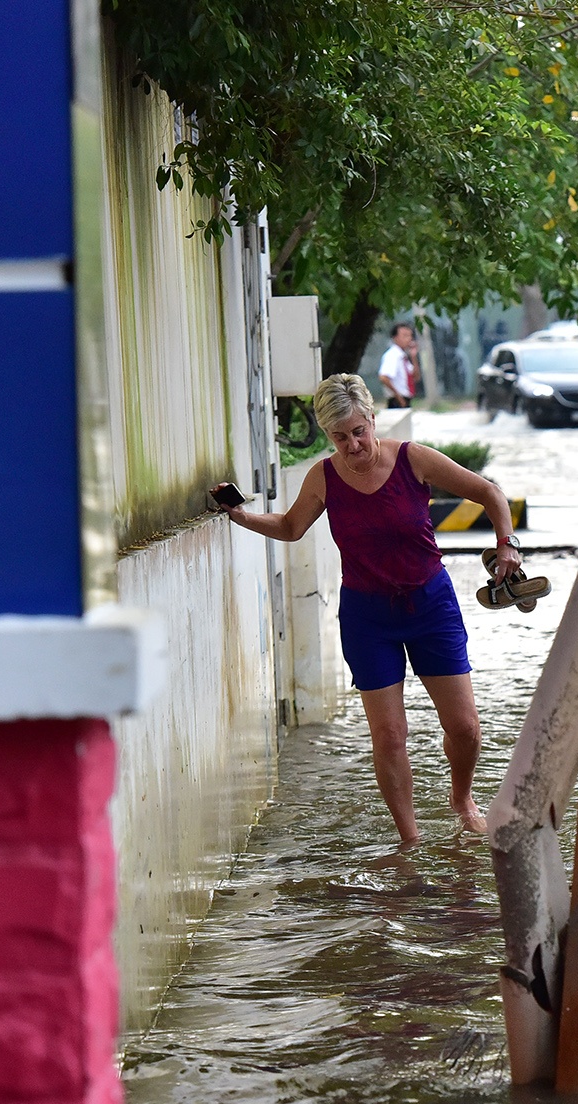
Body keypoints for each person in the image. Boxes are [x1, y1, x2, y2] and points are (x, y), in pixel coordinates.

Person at [213, 373, 521, 844]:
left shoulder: (413, 460)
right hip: (367, 617)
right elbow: (292, 527)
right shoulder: (323, 477)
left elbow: (490, 493)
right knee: (389, 735)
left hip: (430, 604)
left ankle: (462, 798)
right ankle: (410, 840)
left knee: (464, 728)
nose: (353, 445)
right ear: (327, 434)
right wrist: (241, 516)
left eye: (359, 431)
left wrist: (507, 544)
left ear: (372, 420)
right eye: (340, 437)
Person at [378, 323, 419, 409]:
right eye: (405, 336)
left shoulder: (403, 357)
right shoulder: (392, 355)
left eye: (410, 336)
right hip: (397, 400)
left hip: (405, 398)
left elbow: (415, 377)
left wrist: (413, 356)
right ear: (395, 338)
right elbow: (383, 377)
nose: (409, 339)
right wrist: (398, 397)